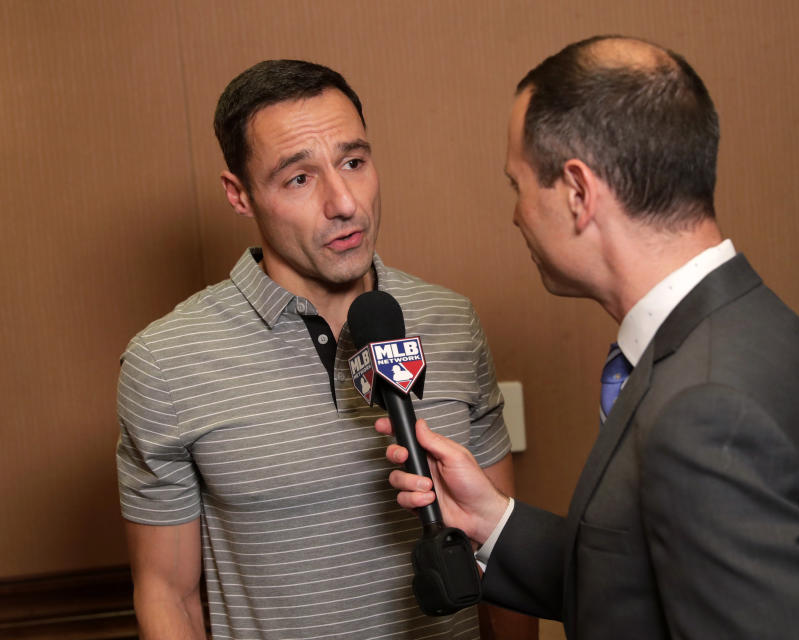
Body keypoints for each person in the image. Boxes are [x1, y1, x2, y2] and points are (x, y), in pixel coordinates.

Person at [379, 36, 799, 639]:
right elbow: (650, 581)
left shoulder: (707, 405)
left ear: (577, 192)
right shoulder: (752, 329)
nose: (515, 215)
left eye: (518, 186)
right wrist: (495, 521)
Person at [116, 59, 536, 640]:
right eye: (299, 178)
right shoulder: (164, 361)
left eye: (354, 162)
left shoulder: (452, 319)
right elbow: (168, 593)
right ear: (238, 195)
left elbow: (504, 550)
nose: (344, 202)